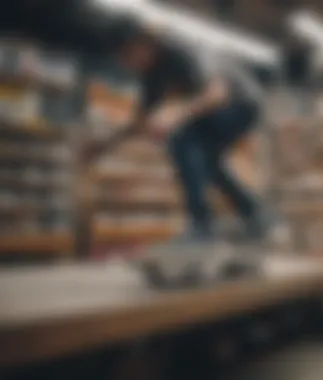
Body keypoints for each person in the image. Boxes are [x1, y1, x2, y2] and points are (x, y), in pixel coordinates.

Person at [90, 20, 268, 244]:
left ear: (144, 44)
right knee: (208, 162)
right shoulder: (151, 75)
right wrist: (107, 144)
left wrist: (178, 113)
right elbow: (142, 122)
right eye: (123, 60)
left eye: (129, 55)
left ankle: (202, 226)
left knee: (182, 140)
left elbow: (217, 94)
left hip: (241, 102)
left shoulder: (180, 52)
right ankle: (253, 214)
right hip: (211, 110)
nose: (129, 64)